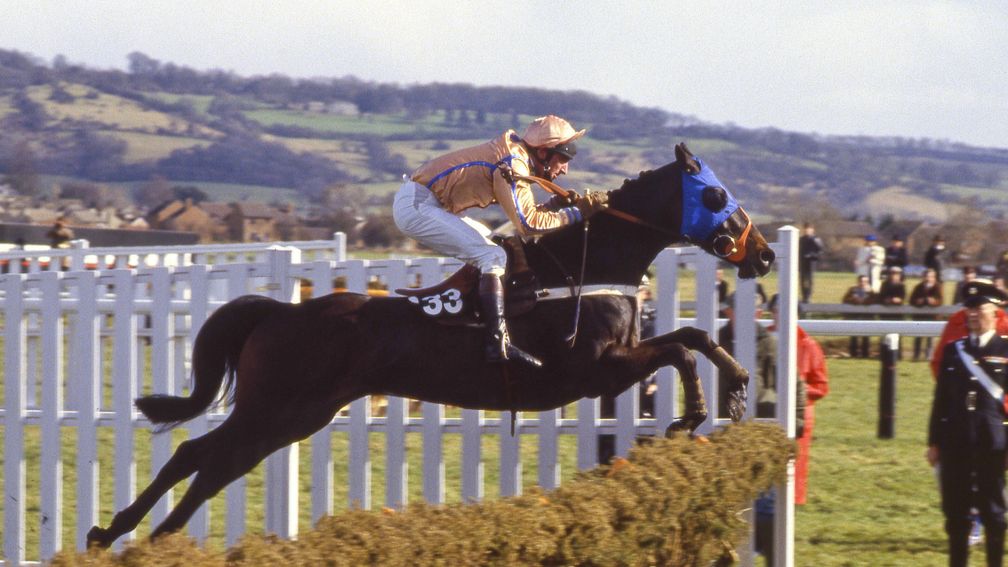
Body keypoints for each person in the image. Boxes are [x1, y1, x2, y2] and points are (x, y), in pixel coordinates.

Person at [393, 115, 607, 367]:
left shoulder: (515, 155)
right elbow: (529, 225)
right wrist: (578, 213)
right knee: (492, 256)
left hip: (425, 203)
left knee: (496, 246)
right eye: (563, 159)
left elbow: (524, 215)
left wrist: (554, 206)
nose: (565, 168)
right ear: (542, 152)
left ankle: (473, 315)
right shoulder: (513, 162)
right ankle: (496, 343)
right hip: (418, 206)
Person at [927, 280, 1008, 567]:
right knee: (956, 513)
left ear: (996, 312)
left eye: (979, 308)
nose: (972, 314)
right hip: (955, 441)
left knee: (994, 512)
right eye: (969, 309)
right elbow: (941, 400)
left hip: (992, 441)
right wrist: (934, 441)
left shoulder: (1004, 349)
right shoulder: (953, 350)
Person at [767, 293, 828, 505]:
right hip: (766, 410)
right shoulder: (761, 339)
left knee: (795, 463)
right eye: (776, 311)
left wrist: (796, 389)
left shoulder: (809, 345)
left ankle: (791, 502)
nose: (780, 316)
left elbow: (821, 386)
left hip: (799, 412)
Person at [910, 268, 944, 361]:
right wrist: (918, 301)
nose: (928, 278)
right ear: (923, 277)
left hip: (933, 317)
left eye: (930, 277)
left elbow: (940, 301)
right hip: (919, 317)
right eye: (926, 276)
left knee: (930, 338)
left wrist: (933, 301)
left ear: (934, 278)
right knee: (918, 337)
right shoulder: (918, 287)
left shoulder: (938, 287)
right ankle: (916, 356)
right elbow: (912, 300)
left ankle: (929, 357)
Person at [842, 274, 877, 358]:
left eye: (865, 281)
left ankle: (865, 354)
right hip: (854, 316)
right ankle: (853, 354)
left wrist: (866, 301)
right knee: (854, 336)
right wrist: (853, 299)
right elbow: (845, 300)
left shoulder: (871, 291)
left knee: (866, 336)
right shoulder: (852, 290)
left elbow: (875, 301)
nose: (863, 283)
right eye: (861, 281)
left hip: (866, 317)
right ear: (858, 282)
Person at [879, 266, 907, 359]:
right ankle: (884, 355)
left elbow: (903, 298)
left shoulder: (901, 285)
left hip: (897, 315)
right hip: (886, 314)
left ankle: (897, 356)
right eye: (892, 273)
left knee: (897, 336)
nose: (893, 276)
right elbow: (881, 297)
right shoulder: (884, 285)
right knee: (884, 336)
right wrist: (888, 300)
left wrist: (898, 300)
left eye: (896, 274)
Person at [798, 222, 825, 303]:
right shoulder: (801, 239)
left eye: (808, 229)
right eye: (805, 229)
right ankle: (804, 296)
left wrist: (811, 255)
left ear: (812, 230)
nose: (806, 230)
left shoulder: (816, 239)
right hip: (802, 262)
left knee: (809, 280)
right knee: (802, 279)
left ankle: (808, 296)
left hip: (811, 263)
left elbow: (821, 251)